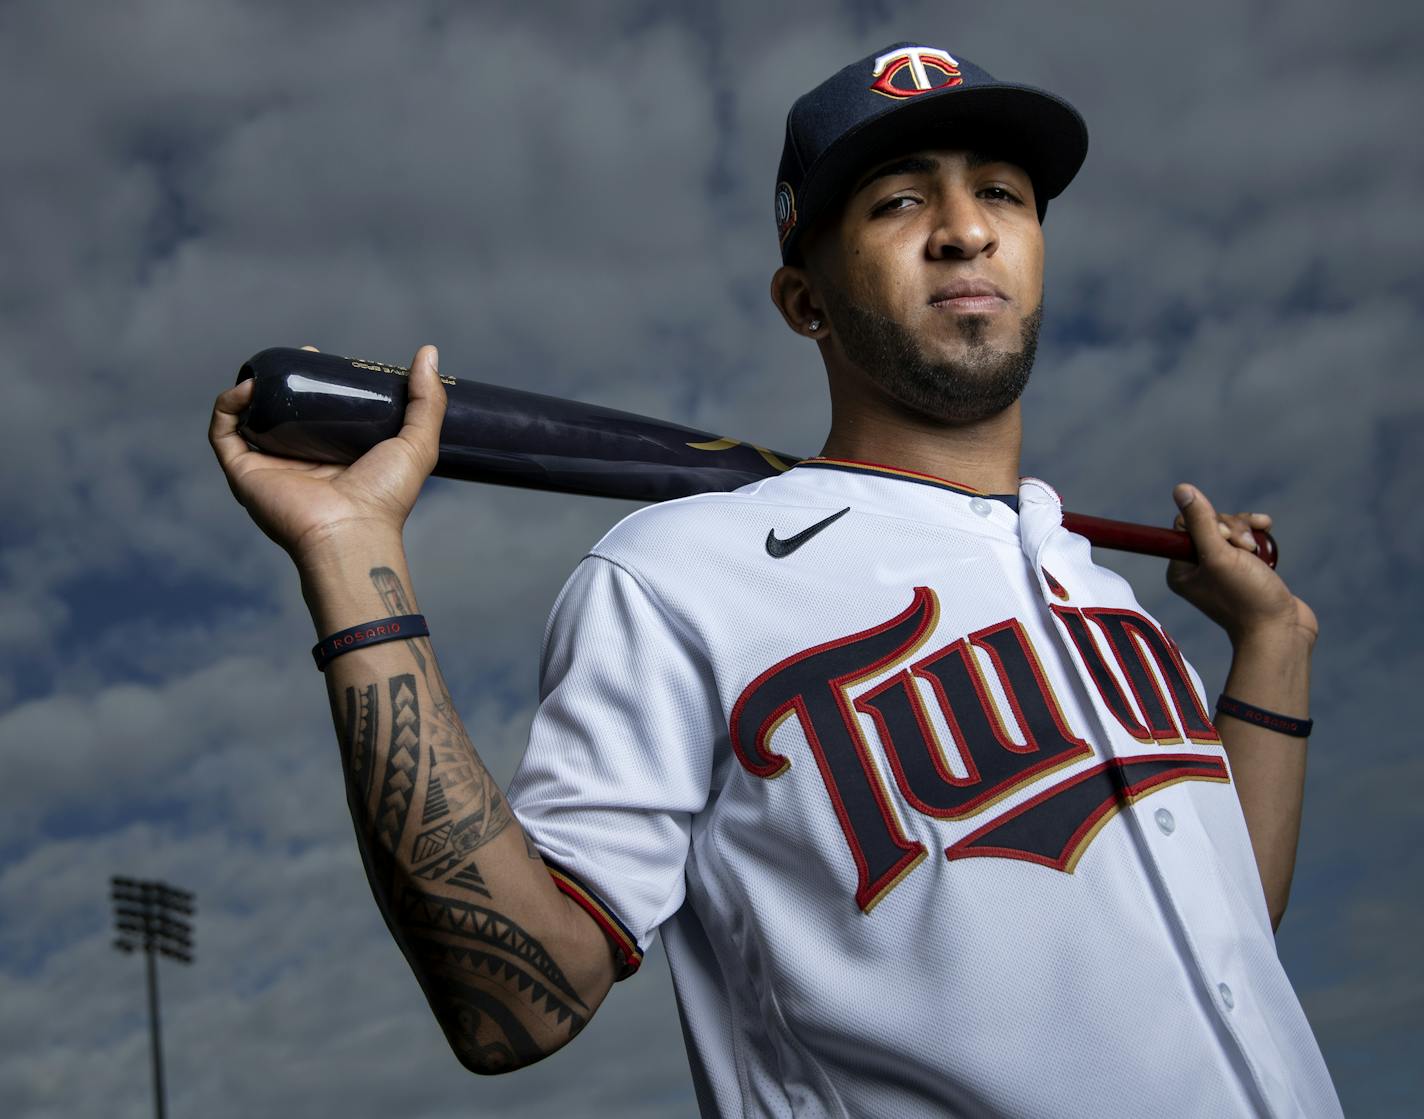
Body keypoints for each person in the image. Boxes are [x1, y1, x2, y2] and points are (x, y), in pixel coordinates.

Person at [209, 41, 1342, 1119]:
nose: (962, 231)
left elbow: (1228, 925)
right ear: (804, 302)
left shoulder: (1100, 595)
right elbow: (512, 1002)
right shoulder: (679, 578)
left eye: (1000, 192)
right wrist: (352, 562)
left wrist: (1271, 638)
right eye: (897, 202)